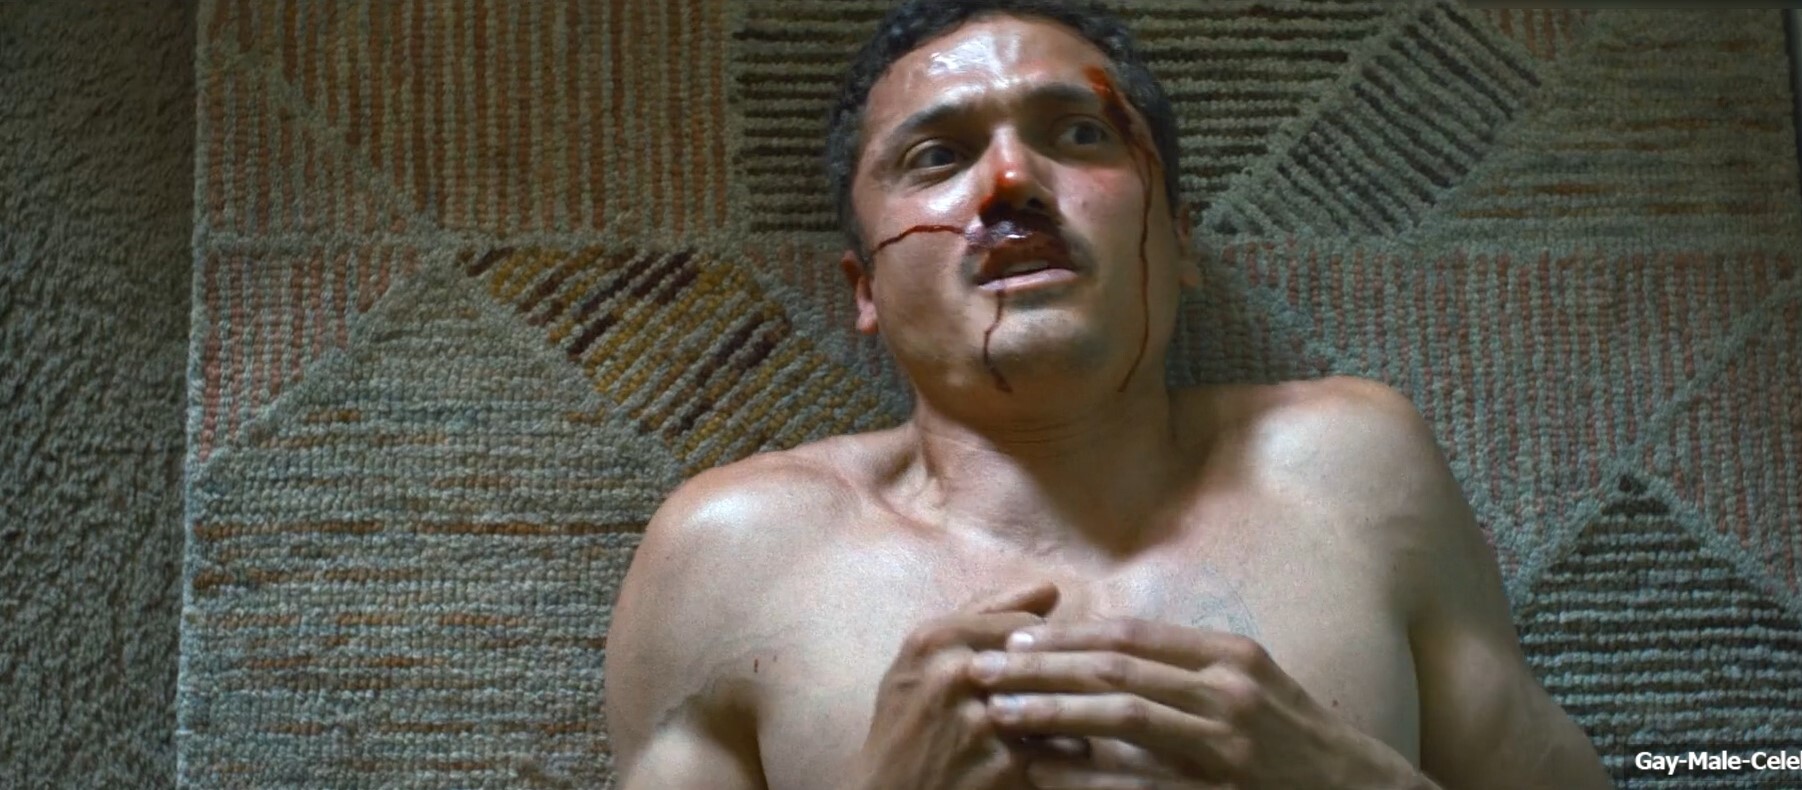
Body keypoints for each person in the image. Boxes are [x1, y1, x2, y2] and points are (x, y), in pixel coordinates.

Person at [605, 1, 1612, 787]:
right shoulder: (734, 551)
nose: (1011, 179)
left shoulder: (1349, 468)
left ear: (1176, 241)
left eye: (1081, 134)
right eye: (938, 155)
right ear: (864, 287)